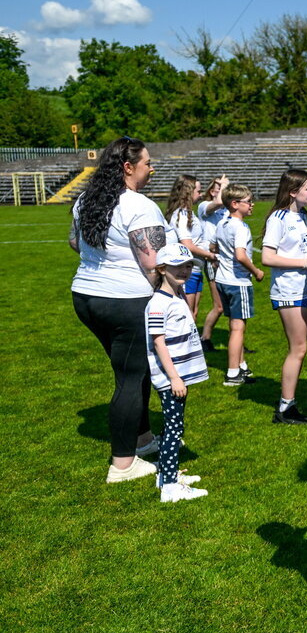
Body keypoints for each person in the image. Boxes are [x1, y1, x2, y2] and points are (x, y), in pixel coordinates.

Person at [70, 136, 166, 482]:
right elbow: (153, 262)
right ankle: (123, 464)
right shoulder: (139, 204)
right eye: (147, 163)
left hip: (86, 296)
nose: (152, 169)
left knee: (132, 370)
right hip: (125, 300)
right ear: (128, 167)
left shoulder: (85, 200)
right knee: (130, 377)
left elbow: (73, 242)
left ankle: (141, 439)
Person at [146, 244, 209, 502]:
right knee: (174, 429)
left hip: (179, 376)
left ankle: (166, 474)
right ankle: (170, 487)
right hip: (172, 378)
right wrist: (174, 377)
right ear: (162, 269)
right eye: (178, 266)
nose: (185, 270)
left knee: (174, 426)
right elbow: (158, 342)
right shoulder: (159, 303)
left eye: (188, 265)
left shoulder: (177, 296)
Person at [262, 169, 307, 424]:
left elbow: (303, 249)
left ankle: (289, 401)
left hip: (304, 288)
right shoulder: (279, 218)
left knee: (301, 347)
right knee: (298, 348)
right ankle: (285, 407)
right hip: (288, 290)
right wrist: (303, 263)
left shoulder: (302, 215)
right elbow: (267, 257)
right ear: (293, 191)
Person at [214, 183, 264, 386]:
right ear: (235, 204)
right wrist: (256, 271)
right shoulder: (240, 227)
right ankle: (233, 373)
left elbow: (213, 246)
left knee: (235, 326)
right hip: (238, 282)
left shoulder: (222, 223)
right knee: (237, 329)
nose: (252, 204)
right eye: (248, 201)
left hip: (222, 280)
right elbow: (240, 255)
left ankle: (241, 365)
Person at [164, 174, 217, 317]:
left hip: (195, 269)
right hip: (187, 271)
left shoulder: (188, 213)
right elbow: (188, 245)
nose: (200, 195)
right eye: (198, 191)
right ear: (188, 192)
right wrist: (211, 255)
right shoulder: (181, 214)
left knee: (193, 312)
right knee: (187, 314)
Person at [197, 175, 229, 351]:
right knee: (219, 306)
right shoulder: (204, 207)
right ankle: (205, 337)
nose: (224, 191)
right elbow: (216, 203)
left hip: (228, 259)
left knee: (234, 305)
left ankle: (236, 341)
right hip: (213, 259)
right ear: (212, 191)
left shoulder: (226, 210)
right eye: (220, 188)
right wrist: (224, 187)